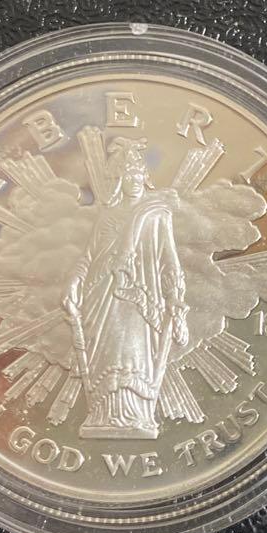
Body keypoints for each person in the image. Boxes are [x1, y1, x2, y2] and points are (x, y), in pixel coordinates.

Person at [63, 137, 189, 439]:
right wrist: (73, 282)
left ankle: (138, 415)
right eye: (126, 175)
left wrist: (175, 295)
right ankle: (102, 415)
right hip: (101, 293)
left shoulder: (156, 213)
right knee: (104, 356)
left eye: (136, 173)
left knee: (132, 352)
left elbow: (169, 258)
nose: (132, 180)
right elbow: (89, 256)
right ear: (119, 179)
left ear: (145, 176)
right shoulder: (107, 214)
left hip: (138, 295)